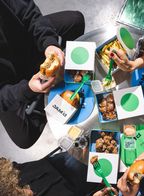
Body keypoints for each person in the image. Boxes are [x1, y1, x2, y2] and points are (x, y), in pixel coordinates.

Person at [0, 0, 85, 148]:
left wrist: (49, 42)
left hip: (27, 43)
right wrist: (27, 90)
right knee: (24, 138)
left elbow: (28, 12)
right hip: (8, 83)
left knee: (75, 21)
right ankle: (47, 101)